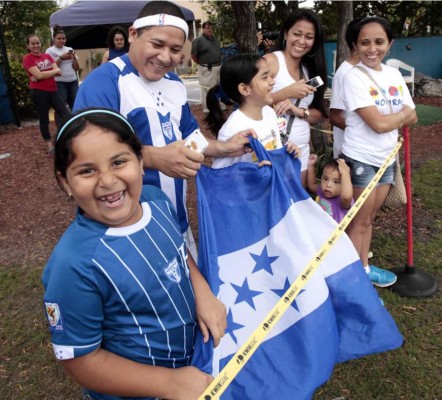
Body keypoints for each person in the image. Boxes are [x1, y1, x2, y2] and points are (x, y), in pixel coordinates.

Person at [42, 108, 226, 400]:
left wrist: (203, 292)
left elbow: (178, 252)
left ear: (140, 162)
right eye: (87, 170)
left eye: (118, 162)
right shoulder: (73, 266)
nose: (107, 180)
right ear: (65, 182)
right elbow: (80, 359)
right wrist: (171, 384)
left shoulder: (155, 199)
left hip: (192, 369)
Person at [74, 0, 254, 261]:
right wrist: (155, 158)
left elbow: (189, 136)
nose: (165, 57)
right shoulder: (104, 82)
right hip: (125, 226)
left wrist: (223, 148)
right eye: (157, 44)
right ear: (133, 35)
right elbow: (88, 155)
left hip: (174, 219)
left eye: (175, 50)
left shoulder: (173, 82)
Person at [340, 16, 418, 287]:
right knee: (358, 221)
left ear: (390, 44)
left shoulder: (393, 74)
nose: (372, 48)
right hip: (361, 158)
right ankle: (351, 280)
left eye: (379, 42)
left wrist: (396, 120)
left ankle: (363, 268)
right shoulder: (352, 77)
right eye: (364, 42)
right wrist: (400, 116)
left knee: (369, 218)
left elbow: (414, 117)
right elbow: (378, 124)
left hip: (386, 158)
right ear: (355, 45)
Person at [264, 9, 329, 188]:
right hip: (272, 150)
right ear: (286, 33)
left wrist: (298, 111)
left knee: (295, 207)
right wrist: (287, 92)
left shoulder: (309, 70)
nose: (301, 41)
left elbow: (320, 114)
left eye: (309, 37)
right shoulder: (271, 61)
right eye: (297, 34)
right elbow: (249, 103)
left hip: (300, 151)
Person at [205, 53, 299, 168]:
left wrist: (287, 152)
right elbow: (222, 175)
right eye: (265, 77)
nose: (272, 81)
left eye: (270, 75)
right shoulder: (233, 128)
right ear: (244, 89)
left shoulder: (269, 113)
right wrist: (254, 174)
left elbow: (276, 150)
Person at [22, 34, 70, 156]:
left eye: (37, 42)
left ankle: (66, 140)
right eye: (32, 43)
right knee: (44, 119)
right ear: (28, 45)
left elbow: (58, 72)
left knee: (66, 114)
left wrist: (42, 74)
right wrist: (49, 72)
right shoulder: (28, 58)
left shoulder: (47, 56)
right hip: (38, 92)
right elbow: (40, 75)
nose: (36, 45)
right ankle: (50, 146)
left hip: (53, 90)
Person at [329, 18, 361, 157]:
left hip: (369, 152)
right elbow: (335, 117)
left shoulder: (367, 70)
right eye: (367, 40)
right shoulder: (344, 73)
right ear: (355, 44)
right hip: (349, 152)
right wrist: (364, 135)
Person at [45, 25, 79, 125]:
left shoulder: (69, 48)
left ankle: (75, 125)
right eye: (59, 38)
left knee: (75, 105)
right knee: (60, 106)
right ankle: (61, 127)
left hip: (72, 81)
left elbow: (76, 68)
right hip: (59, 83)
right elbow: (52, 68)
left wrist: (74, 58)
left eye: (63, 38)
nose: (61, 40)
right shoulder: (49, 51)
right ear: (54, 39)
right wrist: (61, 58)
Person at [307, 155, 353, 223]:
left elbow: (346, 197)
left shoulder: (341, 201)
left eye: (336, 182)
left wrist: (345, 173)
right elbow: (311, 185)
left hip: (332, 233)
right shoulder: (321, 191)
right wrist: (311, 165)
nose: (328, 185)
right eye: (325, 179)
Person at [191, 21, 224, 114]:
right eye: (207, 28)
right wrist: (202, 64)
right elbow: (193, 56)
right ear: (203, 29)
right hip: (207, 68)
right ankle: (208, 109)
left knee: (218, 87)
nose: (210, 30)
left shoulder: (215, 39)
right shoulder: (198, 40)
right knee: (207, 88)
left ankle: (219, 106)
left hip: (218, 67)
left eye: (211, 28)